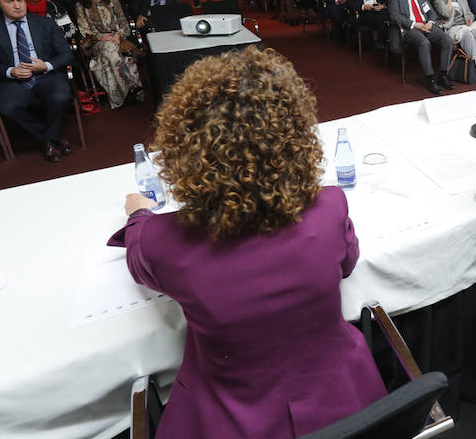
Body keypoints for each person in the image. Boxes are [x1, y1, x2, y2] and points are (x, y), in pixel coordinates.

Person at [109, 46, 388, 438]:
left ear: (186, 150)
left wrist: (139, 214)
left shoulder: (161, 239)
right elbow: (346, 263)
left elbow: (140, 263)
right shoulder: (329, 205)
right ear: (293, 137)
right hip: (347, 405)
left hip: (231, 418)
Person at [0, 0, 75, 161]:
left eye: (20, 0)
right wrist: (10, 71)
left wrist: (46, 65)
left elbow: (66, 53)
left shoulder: (45, 23)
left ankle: (50, 138)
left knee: (60, 97)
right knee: (8, 108)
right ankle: (49, 136)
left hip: (46, 75)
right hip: (14, 80)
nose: (17, 5)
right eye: (10, 1)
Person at [75, 0, 143, 109]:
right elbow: (84, 29)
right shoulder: (81, 6)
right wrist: (100, 37)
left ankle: (125, 94)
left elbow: (124, 23)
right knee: (108, 47)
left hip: (119, 40)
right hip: (97, 42)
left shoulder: (113, 2)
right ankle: (132, 86)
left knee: (110, 55)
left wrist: (118, 35)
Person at [387, 0, 454, 95]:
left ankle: (443, 75)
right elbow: (395, 16)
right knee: (424, 43)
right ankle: (430, 79)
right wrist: (415, 25)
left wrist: (430, 22)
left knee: (447, 40)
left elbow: (431, 12)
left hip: (426, 25)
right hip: (409, 28)